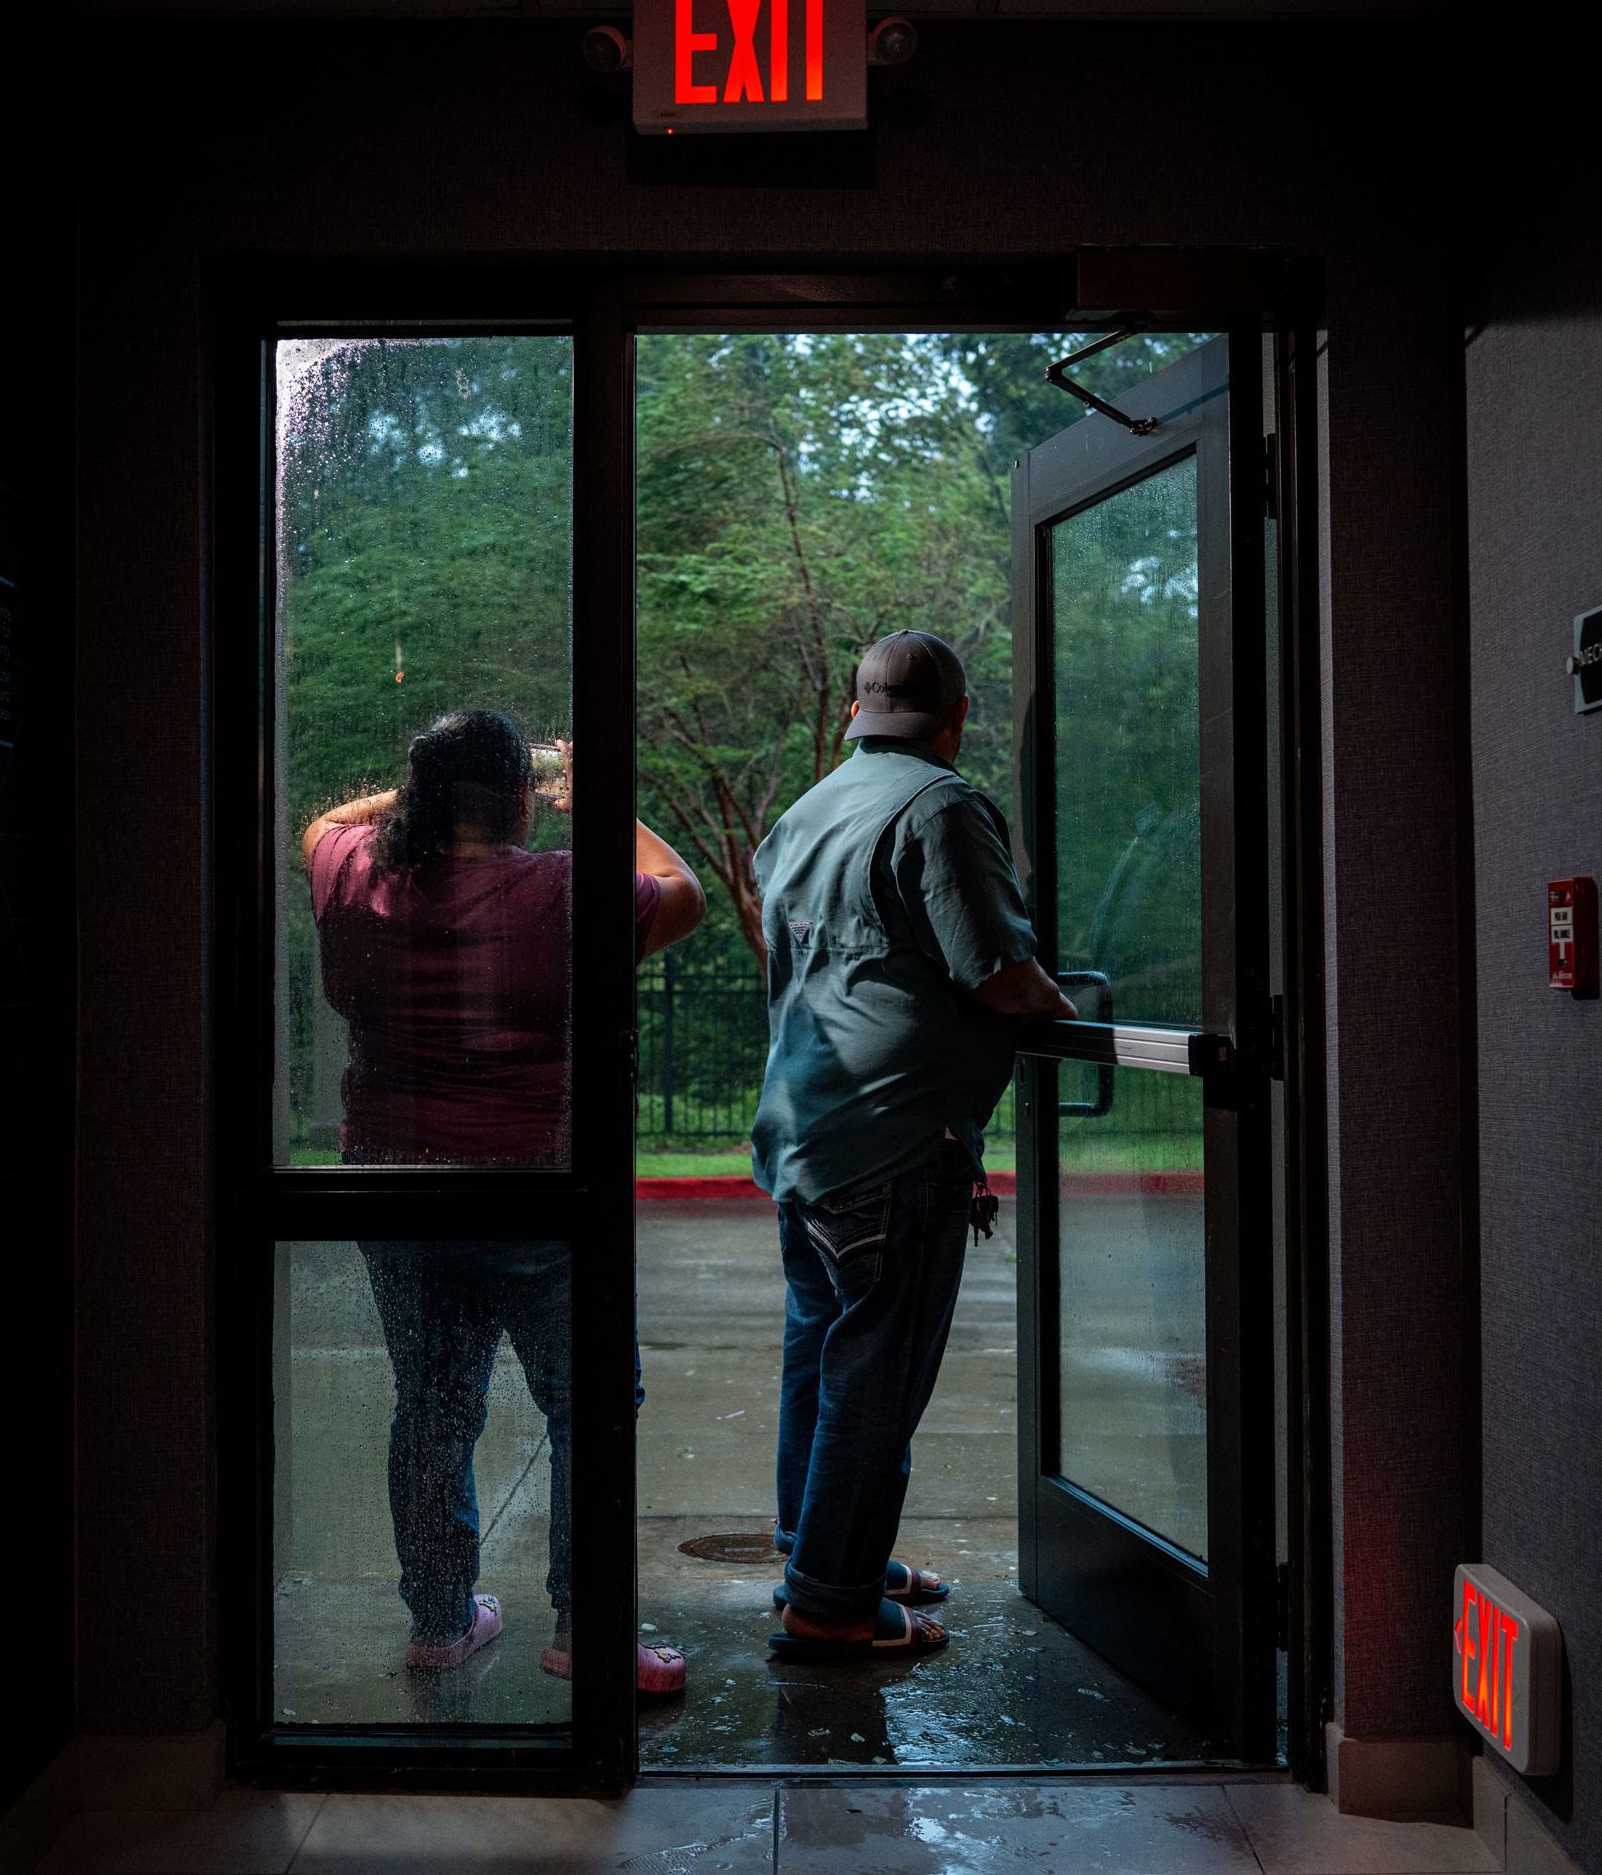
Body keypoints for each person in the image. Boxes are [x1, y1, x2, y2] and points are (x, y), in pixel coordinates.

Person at [304, 708, 706, 1695]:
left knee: (432, 1407)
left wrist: (432, 789)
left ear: (424, 796)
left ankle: (441, 1621)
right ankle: (586, 1626)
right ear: (519, 796)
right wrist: (596, 789)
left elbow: (316, 824)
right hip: (539, 1189)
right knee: (591, 1402)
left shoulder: (356, 874)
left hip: (398, 1187)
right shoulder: (563, 890)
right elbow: (686, 895)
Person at [749, 631, 1077, 1660]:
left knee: (823, 1354)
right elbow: (995, 969)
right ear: (954, 718)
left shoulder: (810, 808)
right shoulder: (940, 805)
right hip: (894, 1143)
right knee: (873, 1375)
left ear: (855, 712)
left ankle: (820, 1551)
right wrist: (1062, 1005)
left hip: (806, 1133)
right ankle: (832, 1602)